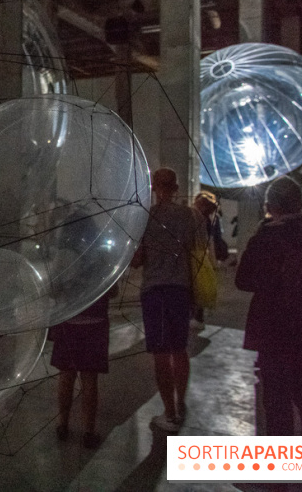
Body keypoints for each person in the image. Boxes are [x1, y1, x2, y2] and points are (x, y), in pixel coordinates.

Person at [235, 177, 302, 467]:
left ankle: (280, 470)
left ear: (271, 206)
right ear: (300, 203)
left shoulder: (266, 238)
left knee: (276, 401)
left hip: (274, 331)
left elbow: (243, 280)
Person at [131, 167, 206, 433]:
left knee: (161, 353)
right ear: (175, 187)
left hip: (154, 290)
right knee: (179, 349)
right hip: (181, 289)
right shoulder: (189, 216)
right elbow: (197, 254)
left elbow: (137, 260)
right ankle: (180, 400)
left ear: (153, 187)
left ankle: (170, 413)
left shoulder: (145, 218)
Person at [50, 285, 117, 449]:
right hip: (95, 322)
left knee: (66, 375)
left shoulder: (65, 258)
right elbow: (113, 291)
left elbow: (55, 287)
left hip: (69, 320)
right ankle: (88, 432)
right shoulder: (104, 259)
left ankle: (63, 425)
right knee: (90, 378)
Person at [190, 190, 224, 330]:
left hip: (192, 256)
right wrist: (213, 262)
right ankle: (198, 316)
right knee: (200, 286)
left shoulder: (193, 218)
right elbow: (211, 243)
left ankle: (194, 315)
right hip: (202, 256)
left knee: (192, 286)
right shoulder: (209, 221)